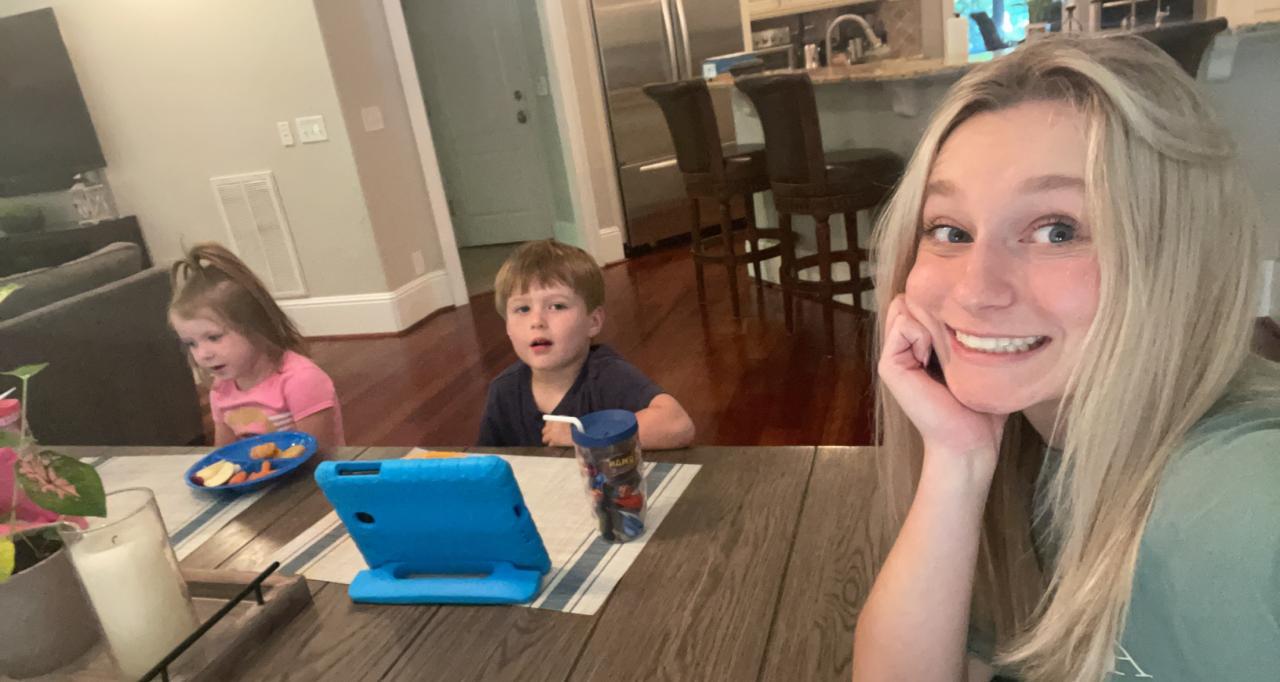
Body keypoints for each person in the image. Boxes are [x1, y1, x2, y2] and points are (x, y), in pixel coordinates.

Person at [852, 34, 1280, 681]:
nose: (975, 289)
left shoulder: (1244, 504)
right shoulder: (1032, 442)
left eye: (1058, 231)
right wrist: (957, 461)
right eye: (950, 230)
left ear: (1175, 257)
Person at [477, 240, 695, 449]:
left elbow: (677, 425)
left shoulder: (608, 376)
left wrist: (585, 434)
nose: (537, 321)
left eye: (557, 306)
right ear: (507, 327)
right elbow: (486, 461)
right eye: (522, 309)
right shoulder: (504, 390)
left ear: (593, 322)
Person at [169, 243, 344, 453]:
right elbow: (222, 455)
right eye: (191, 343)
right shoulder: (221, 388)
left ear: (255, 328)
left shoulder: (301, 380)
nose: (203, 354)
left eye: (214, 337)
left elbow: (316, 455)